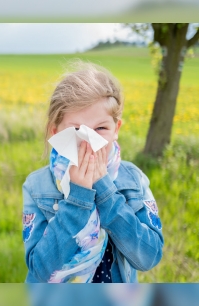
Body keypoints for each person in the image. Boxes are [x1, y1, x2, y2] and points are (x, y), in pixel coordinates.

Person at [22, 60, 164, 283]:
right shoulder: (37, 186)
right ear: (55, 131)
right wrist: (78, 200)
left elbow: (149, 257)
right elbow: (40, 271)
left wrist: (106, 193)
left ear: (116, 129)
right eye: (76, 130)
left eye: (101, 128)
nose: (89, 141)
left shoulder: (134, 180)